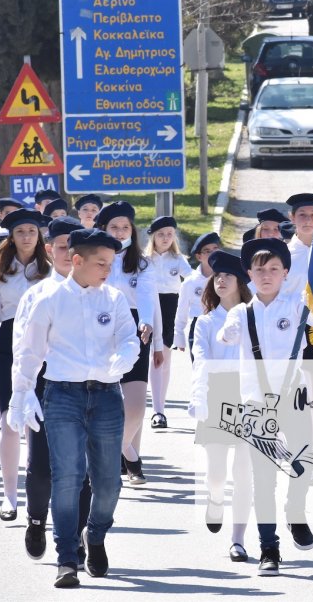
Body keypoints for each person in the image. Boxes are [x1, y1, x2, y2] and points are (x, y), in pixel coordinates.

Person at [10, 227, 140, 589]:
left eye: (111, 263)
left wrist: (123, 358)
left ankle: (94, 535)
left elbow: (129, 338)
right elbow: (29, 351)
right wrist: (21, 394)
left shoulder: (112, 299)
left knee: (109, 482)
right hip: (62, 395)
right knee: (67, 477)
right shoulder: (48, 299)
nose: (107, 270)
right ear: (77, 261)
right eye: (101, 263)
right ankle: (66, 558)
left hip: (106, 396)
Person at [217, 238, 313, 575]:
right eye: (260, 269)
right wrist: (229, 331)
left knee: (303, 463)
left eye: (274, 269)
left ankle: (296, 512)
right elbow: (227, 335)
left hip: (293, 397)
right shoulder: (241, 312)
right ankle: (269, 547)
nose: (266, 275)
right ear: (248, 274)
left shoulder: (296, 306)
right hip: (256, 405)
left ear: (285, 273)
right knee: (263, 478)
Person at [8, 216, 93, 563]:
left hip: (86, 388)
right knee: (42, 466)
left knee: (80, 471)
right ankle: (36, 519)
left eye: (74, 248)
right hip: (44, 386)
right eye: (61, 247)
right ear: (49, 250)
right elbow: (22, 348)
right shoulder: (36, 295)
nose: (68, 254)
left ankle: (76, 536)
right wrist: (22, 393)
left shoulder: (98, 294)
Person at [0, 208, 51, 521]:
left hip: (45, 348)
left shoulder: (49, 271)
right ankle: (9, 496)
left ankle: (39, 490)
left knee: (42, 423)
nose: (27, 237)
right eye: (20, 232)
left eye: (32, 232)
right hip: (8, 347)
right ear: (11, 236)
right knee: (9, 420)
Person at [188, 250, 253, 563]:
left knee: (244, 471)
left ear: (241, 281)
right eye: (216, 276)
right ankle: (215, 499)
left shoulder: (255, 315)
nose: (221, 280)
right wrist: (198, 396)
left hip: (248, 395)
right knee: (216, 473)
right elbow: (199, 359)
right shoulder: (204, 322)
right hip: (217, 393)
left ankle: (238, 539)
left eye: (228, 275)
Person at [94, 201, 162, 485]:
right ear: (103, 230)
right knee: (103, 400)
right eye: (114, 228)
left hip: (135, 331)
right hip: (99, 328)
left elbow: (147, 295)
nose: (121, 232)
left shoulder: (143, 264)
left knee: (135, 407)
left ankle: (121, 450)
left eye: (125, 227)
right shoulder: (93, 260)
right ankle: (129, 458)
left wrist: (146, 321)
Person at [145, 216, 191, 431]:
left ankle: (159, 410)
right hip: (148, 306)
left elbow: (191, 281)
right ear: (153, 236)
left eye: (169, 234)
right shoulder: (144, 259)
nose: (165, 238)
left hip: (170, 306)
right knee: (148, 358)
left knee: (163, 359)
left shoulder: (178, 259)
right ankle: (153, 408)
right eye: (161, 234)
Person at [173, 232, 220, 369]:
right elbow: (181, 310)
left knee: (221, 367)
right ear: (199, 256)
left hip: (220, 323)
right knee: (200, 367)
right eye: (207, 251)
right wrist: (179, 336)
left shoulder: (226, 276)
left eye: (215, 249)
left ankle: (222, 390)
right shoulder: (190, 282)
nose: (211, 254)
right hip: (198, 325)